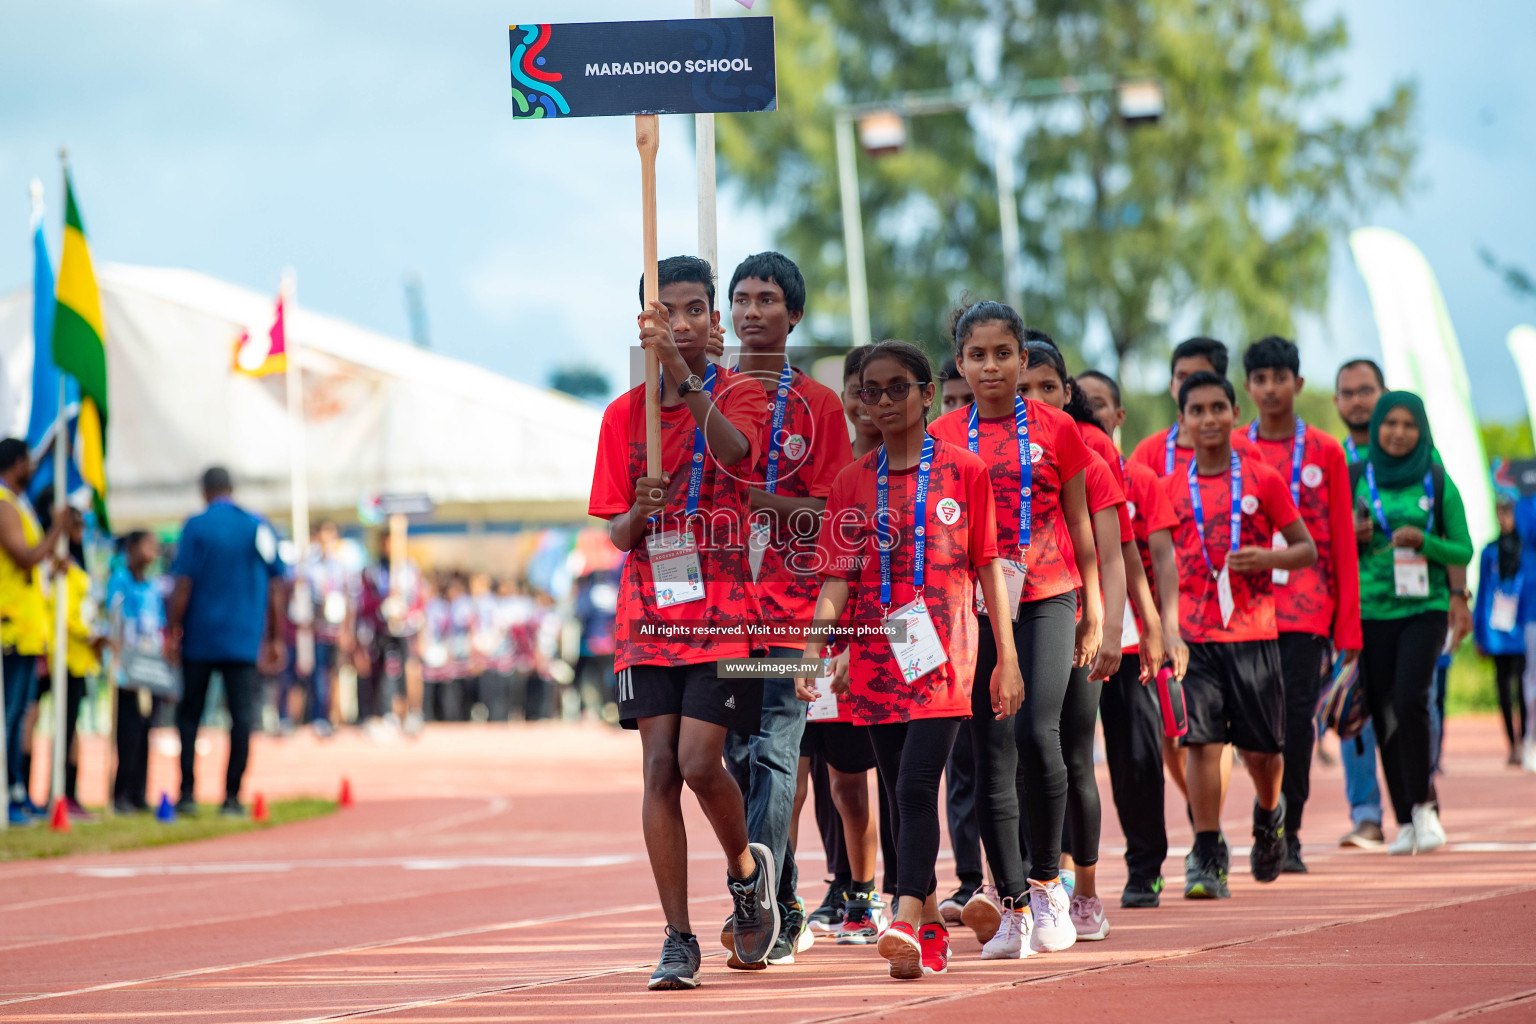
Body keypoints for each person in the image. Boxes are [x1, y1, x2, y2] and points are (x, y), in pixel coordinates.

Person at [800, 339, 1021, 981]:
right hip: (874, 656)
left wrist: (1006, 658)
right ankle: (927, 933)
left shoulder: (965, 471)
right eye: (872, 390)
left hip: (945, 657)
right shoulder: (850, 482)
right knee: (900, 799)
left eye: (900, 387)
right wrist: (816, 645)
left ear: (927, 395)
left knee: (918, 786)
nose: (885, 400)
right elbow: (838, 578)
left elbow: (989, 570)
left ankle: (899, 913)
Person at [588, 255, 776, 990]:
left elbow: (737, 457)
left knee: (703, 763)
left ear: (713, 321)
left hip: (726, 612)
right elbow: (619, 533)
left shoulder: (743, 394)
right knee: (660, 769)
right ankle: (677, 937)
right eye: (668, 312)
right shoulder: (620, 416)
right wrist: (641, 506)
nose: (684, 323)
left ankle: (744, 869)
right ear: (645, 320)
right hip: (647, 620)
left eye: (696, 310)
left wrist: (686, 380)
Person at [928, 307, 1099, 959]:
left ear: (1024, 361)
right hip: (972, 602)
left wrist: (1096, 610)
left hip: (1049, 593)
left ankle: (1048, 881)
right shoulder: (941, 434)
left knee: (1037, 732)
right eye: (978, 355)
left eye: (1005, 353)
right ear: (962, 362)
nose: (992, 366)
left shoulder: (1058, 429)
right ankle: (1012, 907)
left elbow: (1080, 523)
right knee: (990, 745)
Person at [723, 251, 854, 966]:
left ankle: (756, 907)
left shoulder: (821, 406)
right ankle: (788, 899)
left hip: (788, 607)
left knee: (775, 753)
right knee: (734, 759)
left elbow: (838, 513)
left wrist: (771, 506)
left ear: (793, 315)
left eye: (766, 298)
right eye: (740, 298)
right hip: (717, 614)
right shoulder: (712, 399)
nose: (751, 309)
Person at [1163, 371, 1316, 899]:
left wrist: (1266, 558)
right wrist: (1166, 628)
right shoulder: (1169, 489)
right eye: (1196, 410)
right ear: (1181, 420)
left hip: (1253, 634)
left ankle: (1270, 816)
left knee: (1265, 752)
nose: (1208, 419)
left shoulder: (1262, 478)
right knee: (1202, 743)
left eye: (1218, 408)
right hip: (1194, 638)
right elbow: (1156, 564)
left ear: (1234, 413)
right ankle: (1207, 852)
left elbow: (1306, 548)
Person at [1015, 337, 1130, 942]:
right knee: (1014, 757)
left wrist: (1109, 628)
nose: (1036, 398)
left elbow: (1112, 556)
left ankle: (1082, 894)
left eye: (1048, 387)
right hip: (1010, 618)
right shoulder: (996, 448)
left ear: (1068, 392)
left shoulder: (1087, 451)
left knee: (1069, 754)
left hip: (1077, 620)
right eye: (1024, 387)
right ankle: (1029, 888)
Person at [1239, 337, 1361, 873]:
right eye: (1260, 379)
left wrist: (1348, 629)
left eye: (1279, 378)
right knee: (1253, 727)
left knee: (1296, 722)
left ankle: (1291, 833)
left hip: (1307, 610)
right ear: (1248, 387)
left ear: (1298, 384)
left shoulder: (1326, 452)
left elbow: (1340, 539)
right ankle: (1268, 816)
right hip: (1243, 612)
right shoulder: (1233, 447)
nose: (1270, 388)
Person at [1075, 368, 1189, 909]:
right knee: (1066, 760)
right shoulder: (1056, 471)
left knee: (1138, 757)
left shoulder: (1139, 479)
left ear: (1117, 415)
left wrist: (1160, 628)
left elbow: (1152, 560)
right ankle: (1059, 874)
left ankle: (1145, 868)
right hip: (1067, 633)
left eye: (1099, 405)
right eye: (1085, 403)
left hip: (1124, 637)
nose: (1090, 413)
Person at [1352, 393, 1472, 854]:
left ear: (1421, 429)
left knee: (1410, 700)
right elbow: (1332, 542)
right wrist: (1355, 532)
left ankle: (1424, 807)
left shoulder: (1438, 478)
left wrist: (1427, 543)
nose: (1398, 432)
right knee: (1382, 713)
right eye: (1390, 423)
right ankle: (1403, 818)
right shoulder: (1357, 476)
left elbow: (1462, 548)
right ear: (1378, 427)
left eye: (1409, 424)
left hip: (1425, 608)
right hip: (1369, 611)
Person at [165, 466, 286, 816]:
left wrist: (173, 632)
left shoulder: (196, 525)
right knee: (242, 717)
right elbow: (278, 587)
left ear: (205, 491)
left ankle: (186, 794)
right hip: (243, 639)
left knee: (189, 715)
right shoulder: (258, 526)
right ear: (232, 490)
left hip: (200, 638)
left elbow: (182, 584)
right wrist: (275, 637)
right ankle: (232, 797)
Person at [931, 355, 984, 924]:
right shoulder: (928, 458)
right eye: (946, 401)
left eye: (958, 401)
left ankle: (1024, 876)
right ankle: (969, 879)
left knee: (1006, 753)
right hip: (941, 630)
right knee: (957, 763)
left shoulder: (976, 462)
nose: (952, 412)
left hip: (1006, 617)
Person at [0, 438, 71, 824]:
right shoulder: (4, 505)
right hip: (10, 630)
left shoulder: (16, 504)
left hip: (27, 631)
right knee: (9, 716)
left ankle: (15, 790)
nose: (33, 468)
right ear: (17, 463)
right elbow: (24, 557)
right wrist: (56, 530)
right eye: (29, 461)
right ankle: (9, 792)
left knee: (19, 715)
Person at [1332, 358, 1387, 846]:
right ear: (1335, 401)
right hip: (1348, 608)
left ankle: (1418, 801)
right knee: (1353, 708)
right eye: (1347, 392)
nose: (1356, 400)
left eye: (1366, 390)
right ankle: (1366, 812)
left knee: (1414, 711)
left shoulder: (1416, 458)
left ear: (1384, 392)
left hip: (1411, 610)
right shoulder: (1331, 461)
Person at [37, 492, 104, 816]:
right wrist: (90, 633)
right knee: (38, 719)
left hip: (78, 658)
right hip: (53, 654)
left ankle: (67, 792)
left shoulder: (78, 563)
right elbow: (60, 611)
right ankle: (32, 790)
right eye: (75, 524)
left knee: (69, 726)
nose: (80, 530)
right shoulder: (52, 562)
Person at [107, 530, 168, 813]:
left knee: (145, 730)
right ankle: (120, 792)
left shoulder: (152, 587)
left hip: (149, 667)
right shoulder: (120, 581)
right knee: (127, 731)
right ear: (132, 548)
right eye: (148, 545)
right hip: (127, 668)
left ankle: (139, 791)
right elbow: (116, 621)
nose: (153, 551)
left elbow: (158, 628)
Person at [354, 530, 425, 733]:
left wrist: (408, 613)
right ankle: (382, 714)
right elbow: (365, 601)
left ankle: (412, 713)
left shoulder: (410, 569)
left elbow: (419, 598)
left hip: (406, 628)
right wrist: (383, 606)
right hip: (381, 628)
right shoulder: (374, 570)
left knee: (410, 668)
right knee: (380, 670)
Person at [1474, 495, 1526, 765]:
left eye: (1508, 512)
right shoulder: (1489, 551)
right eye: (1499, 512)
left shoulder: (1528, 549)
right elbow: (1482, 592)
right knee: (1504, 687)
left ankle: (1527, 738)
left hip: (1523, 628)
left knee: (1525, 687)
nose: (1503, 518)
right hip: (1497, 631)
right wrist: (1478, 632)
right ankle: (1512, 743)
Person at [295, 520, 352, 736]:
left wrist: (347, 629)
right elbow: (302, 595)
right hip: (318, 629)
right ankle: (320, 717)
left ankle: (335, 716)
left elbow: (349, 599)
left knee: (337, 673)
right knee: (318, 674)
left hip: (337, 630)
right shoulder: (309, 566)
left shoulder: (341, 567)